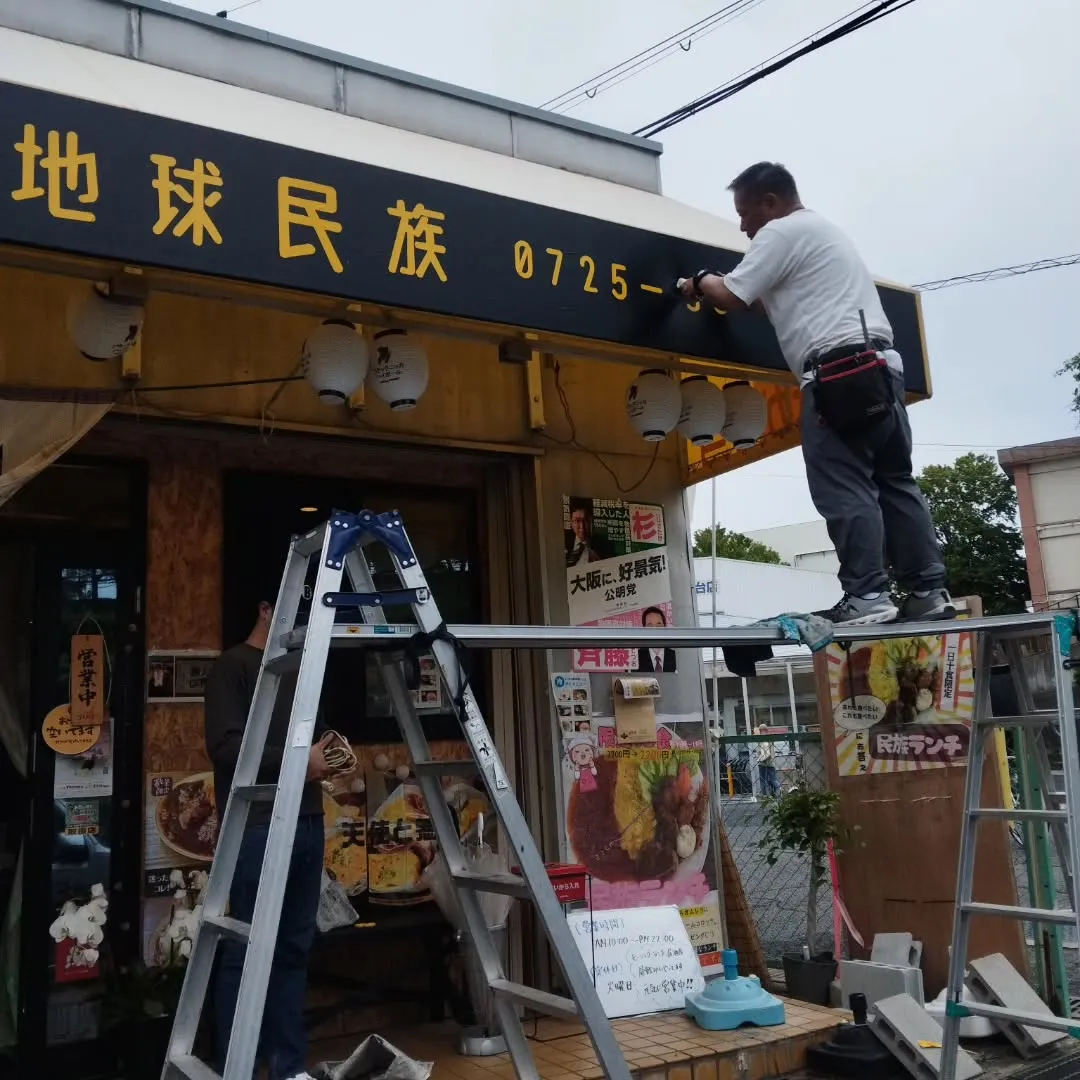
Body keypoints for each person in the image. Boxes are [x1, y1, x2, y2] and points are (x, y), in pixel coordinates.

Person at [680, 162, 953, 628]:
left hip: (836, 374)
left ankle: (867, 596)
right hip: (881, 368)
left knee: (843, 486)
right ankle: (928, 590)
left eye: (745, 213)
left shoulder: (781, 232)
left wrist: (701, 279)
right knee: (895, 481)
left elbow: (731, 296)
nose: (743, 226)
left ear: (771, 202)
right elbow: (769, 300)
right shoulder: (822, 232)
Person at [204, 597, 336, 1080]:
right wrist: (303, 762)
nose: (304, 623)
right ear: (264, 609)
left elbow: (319, 737)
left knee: (294, 947)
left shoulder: (302, 671)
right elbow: (225, 746)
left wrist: (339, 756)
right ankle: (231, 1068)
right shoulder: (233, 667)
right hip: (255, 824)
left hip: (307, 818)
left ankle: (288, 1066)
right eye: (297, 610)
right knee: (245, 948)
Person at [637, 606, 677, 673]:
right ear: (644, 630)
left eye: (658, 625)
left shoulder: (675, 657)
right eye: (650, 626)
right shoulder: (636, 660)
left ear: (665, 628)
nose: (654, 629)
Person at [566, 499, 602, 567]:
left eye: (586, 521)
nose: (582, 526)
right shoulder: (564, 542)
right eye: (577, 521)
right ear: (571, 523)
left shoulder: (602, 545)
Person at [755, 726, 781, 797]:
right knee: (772, 778)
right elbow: (772, 752)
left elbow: (761, 752)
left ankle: (765, 794)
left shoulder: (761, 740)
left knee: (763, 779)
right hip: (771, 762)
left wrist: (759, 758)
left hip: (763, 762)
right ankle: (776, 791)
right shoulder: (770, 739)